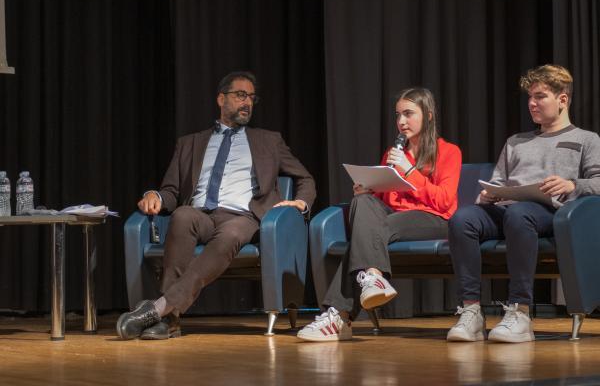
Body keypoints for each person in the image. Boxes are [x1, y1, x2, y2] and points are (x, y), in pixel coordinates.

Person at [117, 71, 316, 340]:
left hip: (244, 216)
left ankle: (160, 309)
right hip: (200, 215)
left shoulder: (269, 141)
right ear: (221, 99)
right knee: (182, 216)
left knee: (232, 233)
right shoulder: (190, 143)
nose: (247, 102)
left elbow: (305, 178)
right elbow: (172, 191)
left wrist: (301, 203)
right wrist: (155, 195)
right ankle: (169, 319)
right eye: (240, 95)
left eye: (251, 98)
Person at [446, 64, 600, 343]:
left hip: (549, 212)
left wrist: (572, 185)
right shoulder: (516, 141)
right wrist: (487, 195)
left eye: (540, 96)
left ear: (562, 99)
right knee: (462, 219)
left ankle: (520, 312)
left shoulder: (586, 139)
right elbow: (497, 180)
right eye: (530, 97)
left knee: (519, 215)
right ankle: (471, 313)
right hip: (507, 207)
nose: (532, 103)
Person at [297, 87, 462, 342]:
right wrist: (370, 189)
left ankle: (339, 315)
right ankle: (372, 278)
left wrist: (409, 172)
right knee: (362, 203)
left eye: (408, 114)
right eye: (398, 115)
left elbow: (444, 201)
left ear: (428, 115)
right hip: (395, 218)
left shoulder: (448, 152)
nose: (401, 122)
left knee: (378, 228)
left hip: (434, 219)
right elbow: (387, 198)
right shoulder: (394, 153)